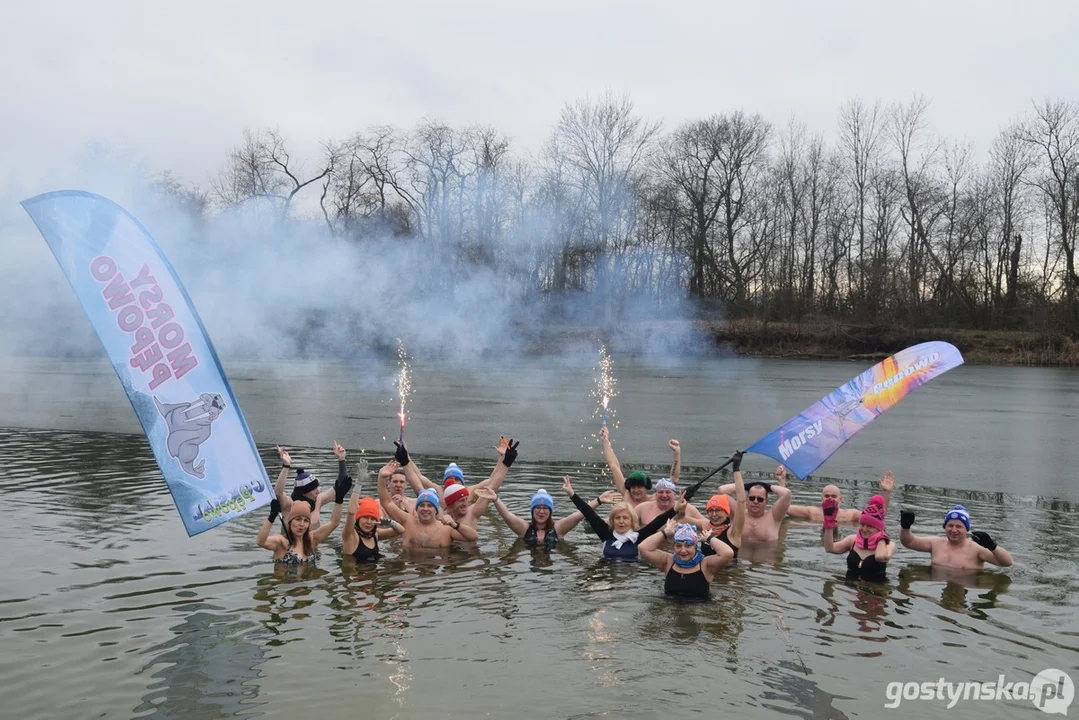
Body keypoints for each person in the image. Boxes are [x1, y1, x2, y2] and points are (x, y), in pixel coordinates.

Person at [391, 436, 518, 530]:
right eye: (460, 500)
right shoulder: (440, 512)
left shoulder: (472, 510)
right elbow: (418, 485)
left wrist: (505, 461)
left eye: (465, 500)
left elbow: (493, 483)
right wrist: (405, 459)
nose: (464, 502)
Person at [257, 460, 351, 564]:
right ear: (290, 521)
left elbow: (334, 522)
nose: (302, 524)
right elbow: (261, 542)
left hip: (309, 556)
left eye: (306, 520)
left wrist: (339, 499)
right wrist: (271, 517)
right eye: (298, 519)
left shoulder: (312, 539)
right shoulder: (282, 542)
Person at [560, 477, 674, 561]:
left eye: (625, 518)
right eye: (617, 518)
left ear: (632, 521)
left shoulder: (639, 537)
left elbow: (657, 521)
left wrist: (676, 509)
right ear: (612, 521)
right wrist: (571, 494)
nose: (621, 521)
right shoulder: (605, 534)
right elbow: (588, 513)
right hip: (607, 575)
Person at [376, 460, 479, 548]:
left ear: (436, 510)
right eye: (421, 505)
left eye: (429, 505)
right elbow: (387, 503)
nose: (425, 509)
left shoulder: (446, 529)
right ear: (416, 509)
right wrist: (381, 477)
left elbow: (473, 537)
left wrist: (455, 525)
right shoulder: (408, 522)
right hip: (411, 569)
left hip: (437, 568)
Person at [638, 519, 735, 600]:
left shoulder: (705, 564)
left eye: (688, 545)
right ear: (674, 547)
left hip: (699, 613)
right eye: (678, 546)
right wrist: (665, 532)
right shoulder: (668, 561)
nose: (683, 550)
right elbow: (643, 548)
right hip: (672, 613)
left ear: (695, 547)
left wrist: (709, 538)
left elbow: (728, 553)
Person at [485, 478, 590, 549]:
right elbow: (506, 515)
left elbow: (579, 515)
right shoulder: (524, 528)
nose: (541, 511)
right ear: (532, 510)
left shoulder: (558, 528)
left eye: (545, 508)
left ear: (550, 511)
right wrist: (495, 499)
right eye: (538, 507)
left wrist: (598, 501)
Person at [898, 505, 1013, 570]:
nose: (954, 530)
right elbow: (909, 541)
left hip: (967, 583)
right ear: (945, 527)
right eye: (950, 526)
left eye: (959, 526)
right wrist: (905, 527)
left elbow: (1007, 562)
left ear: (966, 529)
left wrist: (992, 546)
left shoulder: (976, 549)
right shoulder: (936, 543)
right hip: (938, 582)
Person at [715, 452, 792, 544]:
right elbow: (722, 490)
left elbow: (786, 493)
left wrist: (766, 486)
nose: (755, 501)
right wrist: (748, 486)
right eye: (752, 498)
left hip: (767, 556)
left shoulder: (774, 516)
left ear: (766, 501)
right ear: (747, 500)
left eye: (760, 499)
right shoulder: (738, 514)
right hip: (740, 558)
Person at [779, 465, 896, 523]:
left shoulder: (850, 515)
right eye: (827, 496)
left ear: (841, 499)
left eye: (834, 496)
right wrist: (782, 480)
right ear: (821, 499)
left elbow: (877, 517)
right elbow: (784, 509)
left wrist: (886, 492)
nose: (830, 499)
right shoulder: (812, 513)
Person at [600, 426, 680, 508]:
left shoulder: (655, 499)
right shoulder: (626, 494)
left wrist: (676, 452)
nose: (636, 490)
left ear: (646, 488)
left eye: (639, 487)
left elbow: (673, 480)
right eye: (633, 487)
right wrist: (605, 440)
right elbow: (614, 466)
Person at [821, 494, 895, 581]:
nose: (864, 529)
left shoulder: (889, 544)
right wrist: (829, 524)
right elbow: (829, 548)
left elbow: (880, 557)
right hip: (850, 587)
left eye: (870, 526)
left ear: (878, 528)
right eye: (862, 524)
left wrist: (881, 538)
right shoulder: (852, 540)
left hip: (875, 590)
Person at [342, 459, 404, 563]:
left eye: (373, 519)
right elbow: (351, 511)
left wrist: (389, 522)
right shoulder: (350, 535)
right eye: (365, 517)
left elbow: (401, 531)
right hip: (355, 577)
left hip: (372, 576)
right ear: (358, 519)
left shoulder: (375, 534)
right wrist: (359, 483)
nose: (369, 522)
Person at [273, 444, 339, 527]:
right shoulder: (289, 505)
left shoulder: (318, 500)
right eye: (314, 489)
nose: (318, 491)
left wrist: (342, 459)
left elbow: (340, 486)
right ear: (304, 492)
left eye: (317, 487)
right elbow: (278, 493)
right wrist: (286, 465)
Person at [702, 453, 747, 559]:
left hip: (728, 573)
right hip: (708, 572)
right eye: (711, 510)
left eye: (718, 510)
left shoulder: (734, 532)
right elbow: (683, 516)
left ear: (727, 513)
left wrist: (736, 469)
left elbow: (741, 500)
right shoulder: (705, 527)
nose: (714, 514)